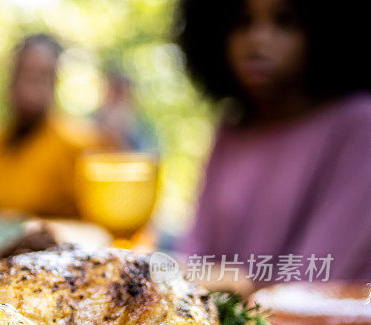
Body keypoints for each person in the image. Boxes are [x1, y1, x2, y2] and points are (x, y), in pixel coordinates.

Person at [177, 0, 371, 281]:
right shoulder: (231, 129)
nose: (257, 39)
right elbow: (194, 255)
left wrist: (225, 289)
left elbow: (317, 279)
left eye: (284, 22)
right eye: (241, 22)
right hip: (221, 319)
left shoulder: (358, 124)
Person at [0, 34, 103, 218]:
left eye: (41, 76)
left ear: (55, 82)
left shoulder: (81, 146)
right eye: (24, 73)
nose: (30, 86)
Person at [96, 70, 157, 153]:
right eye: (115, 95)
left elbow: (150, 156)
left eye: (121, 95)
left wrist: (122, 137)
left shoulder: (144, 128)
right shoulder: (92, 124)